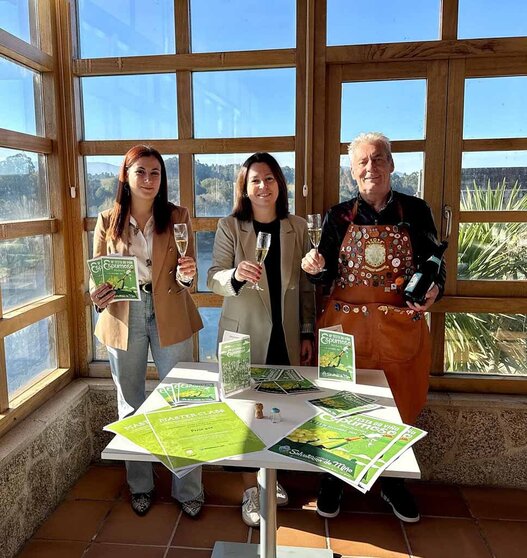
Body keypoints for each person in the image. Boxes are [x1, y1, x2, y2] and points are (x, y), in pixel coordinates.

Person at [302, 132, 445, 523]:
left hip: (398, 326)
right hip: (343, 328)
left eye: (379, 159)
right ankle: (333, 477)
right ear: (352, 171)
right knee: (337, 403)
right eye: (363, 162)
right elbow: (326, 272)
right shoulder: (337, 215)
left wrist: (435, 289)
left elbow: (436, 263)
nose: (371, 167)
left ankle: (392, 480)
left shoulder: (415, 210)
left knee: (397, 408)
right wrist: (315, 269)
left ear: (392, 165)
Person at [90, 145, 205, 518]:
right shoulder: (107, 220)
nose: (148, 179)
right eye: (141, 171)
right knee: (131, 404)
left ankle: (188, 488)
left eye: (155, 173)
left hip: (170, 310)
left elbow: (190, 276)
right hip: (125, 315)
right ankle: (140, 485)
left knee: (182, 400)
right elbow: (94, 278)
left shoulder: (177, 216)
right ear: (126, 175)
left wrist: (188, 274)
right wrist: (96, 295)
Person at [207, 152, 315, 527]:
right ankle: (250, 489)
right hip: (242, 333)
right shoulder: (230, 227)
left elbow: (304, 288)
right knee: (243, 413)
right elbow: (213, 278)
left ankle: (273, 475)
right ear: (245, 187)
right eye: (256, 180)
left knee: (281, 408)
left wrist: (306, 332)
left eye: (270, 179)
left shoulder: (297, 227)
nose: (263, 186)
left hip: (285, 335)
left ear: (279, 185)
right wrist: (235, 275)